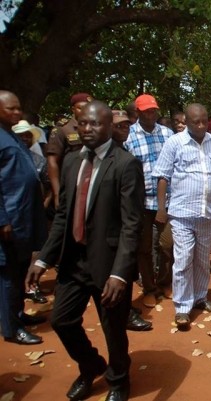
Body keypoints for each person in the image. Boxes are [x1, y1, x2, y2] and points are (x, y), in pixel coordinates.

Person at [26, 100, 145, 401]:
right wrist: (43, 258)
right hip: (74, 260)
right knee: (61, 320)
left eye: (96, 124)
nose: (88, 129)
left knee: (113, 329)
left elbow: (132, 225)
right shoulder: (71, 162)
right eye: (84, 124)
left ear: (109, 127)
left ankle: (119, 381)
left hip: (109, 266)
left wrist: (120, 274)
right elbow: (63, 215)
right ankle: (91, 365)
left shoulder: (125, 164)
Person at [153, 103, 211, 331]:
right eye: (195, 122)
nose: (201, 125)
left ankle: (199, 297)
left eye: (204, 121)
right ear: (186, 122)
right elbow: (162, 176)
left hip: (207, 213)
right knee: (183, 258)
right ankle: (182, 307)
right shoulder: (174, 143)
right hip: (181, 213)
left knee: (202, 259)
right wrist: (161, 208)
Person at [0, 91, 47, 345]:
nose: (17, 113)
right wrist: (1, 219)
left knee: (18, 270)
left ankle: (18, 314)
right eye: (11, 109)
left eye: (19, 109)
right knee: (8, 274)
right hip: (9, 218)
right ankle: (11, 327)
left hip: (23, 215)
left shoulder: (11, 136)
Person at [123, 93, 173, 307]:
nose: (151, 114)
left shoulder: (168, 134)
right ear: (138, 112)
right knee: (144, 248)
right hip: (140, 202)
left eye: (154, 110)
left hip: (167, 200)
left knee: (167, 245)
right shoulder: (129, 135)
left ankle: (164, 282)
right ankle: (150, 288)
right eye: (146, 111)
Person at [112, 110, 152, 332]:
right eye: (118, 126)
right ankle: (124, 314)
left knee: (129, 264)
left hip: (131, 219)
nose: (124, 129)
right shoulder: (109, 155)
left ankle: (125, 307)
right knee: (119, 268)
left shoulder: (124, 151)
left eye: (126, 125)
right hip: (115, 224)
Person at [46, 92, 93, 209]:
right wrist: (57, 194)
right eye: (80, 108)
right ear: (73, 109)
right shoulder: (63, 129)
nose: (84, 111)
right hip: (69, 185)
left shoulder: (95, 127)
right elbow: (52, 162)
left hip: (91, 183)